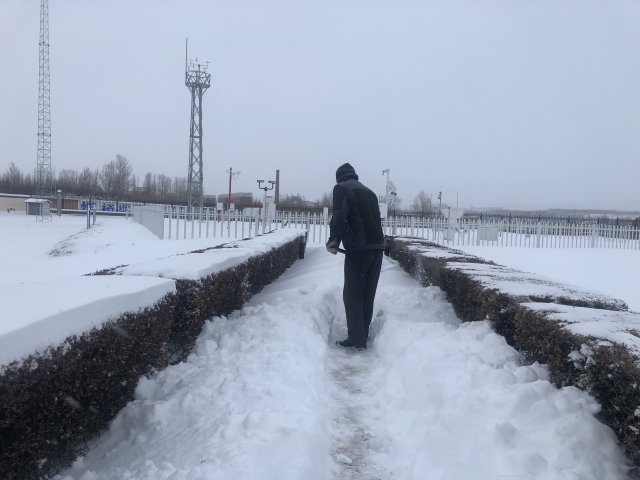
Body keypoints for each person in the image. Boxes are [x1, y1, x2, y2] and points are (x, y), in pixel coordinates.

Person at [326, 163, 385, 350]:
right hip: (377, 247)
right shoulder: (370, 192)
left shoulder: (341, 188)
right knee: (367, 293)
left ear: (339, 177)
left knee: (352, 293)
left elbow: (339, 216)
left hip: (359, 249)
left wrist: (334, 240)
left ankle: (356, 339)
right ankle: (362, 335)